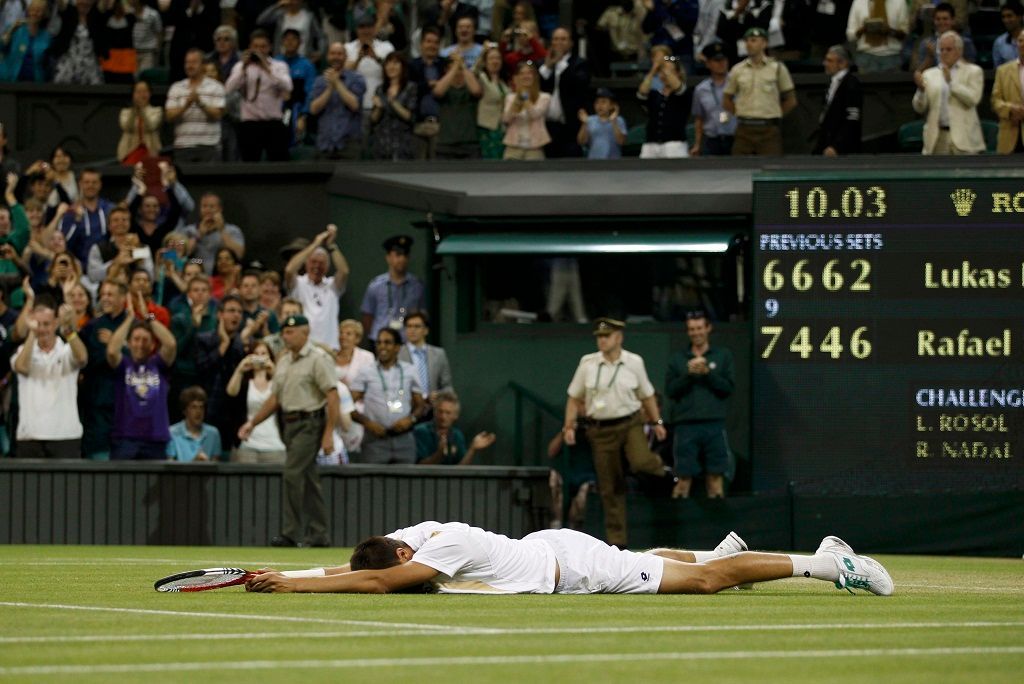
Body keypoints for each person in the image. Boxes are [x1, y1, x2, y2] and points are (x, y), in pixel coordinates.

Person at [245, 523, 895, 597]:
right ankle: (717, 550)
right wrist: (285, 574)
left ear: (411, 554)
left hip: (575, 568)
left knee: (703, 584)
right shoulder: (410, 536)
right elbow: (355, 568)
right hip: (556, 549)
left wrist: (295, 591)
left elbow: (382, 583)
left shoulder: (435, 552)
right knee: (660, 559)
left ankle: (829, 562)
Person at [562, 317, 674, 549]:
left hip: (630, 422)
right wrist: (569, 426)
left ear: (619, 338)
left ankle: (663, 471)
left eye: (606, 336)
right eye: (599, 337)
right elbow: (574, 398)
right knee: (610, 487)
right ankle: (618, 544)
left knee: (641, 461)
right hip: (601, 430)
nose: (601, 341)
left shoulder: (634, 362)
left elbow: (647, 395)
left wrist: (656, 422)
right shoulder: (588, 364)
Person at [238, 314, 340, 548]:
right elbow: (275, 398)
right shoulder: (283, 360)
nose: (286, 336)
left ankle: (291, 533)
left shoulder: (318, 359)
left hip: (310, 423)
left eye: (291, 332)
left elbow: (332, 396)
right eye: (284, 332)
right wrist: (252, 423)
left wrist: (328, 433)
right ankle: (319, 534)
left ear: (306, 333)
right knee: (308, 478)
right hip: (289, 424)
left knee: (292, 473)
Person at [665, 311, 734, 499]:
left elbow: (727, 388)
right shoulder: (678, 359)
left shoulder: (722, 356)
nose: (696, 333)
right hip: (685, 426)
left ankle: (717, 526)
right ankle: (678, 524)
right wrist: (689, 375)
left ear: (708, 328)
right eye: (692, 329)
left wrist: (707, 373)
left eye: (699, 328)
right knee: (683, 480)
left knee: (715, 478)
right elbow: (670, 390)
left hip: (713, 425)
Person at [11, 297, 87, 458]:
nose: (42, 329)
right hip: (29, 437)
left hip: (65, 437)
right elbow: (21, 367)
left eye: (46, 324)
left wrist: (69, 331)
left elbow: (82, 358)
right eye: (38, 324)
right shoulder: (22, 352)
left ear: (55, 324)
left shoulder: (66, 351)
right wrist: (32, 334)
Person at [105, 295, 178, 460]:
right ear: (129, 343)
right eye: (136, 339)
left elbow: (171, 344)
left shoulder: (159, 365)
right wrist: (129, 319)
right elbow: (111, 351)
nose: (140, 344)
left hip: (155, 439)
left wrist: (148, 317)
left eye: (145, 340)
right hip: (125, 438)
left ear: (153, 345)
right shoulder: (123, 366)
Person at [349, 326, 426, 464]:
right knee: (372, 483)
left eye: (387, 342)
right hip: (375, 440)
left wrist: (411, 419)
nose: (381, 346)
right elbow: (348, 405)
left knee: (406, 483)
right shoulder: (366, 371)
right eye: (379, 342)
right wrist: (368, 423)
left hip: (404, 439)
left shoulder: (410, 370)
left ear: (397, 347)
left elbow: (421, 405)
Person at [723, 27, 796, 156]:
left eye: (754, 40)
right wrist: (739, 112)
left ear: (764, 43)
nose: (749, 44)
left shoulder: (777, 68)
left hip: (768, 129)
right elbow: (726, 99)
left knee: (771, 167)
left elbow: (791, 100)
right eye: (747, 41)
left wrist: (775, 113)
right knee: (739, 168)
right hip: (744, 128)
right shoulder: (737, 70)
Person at [224, 29, 293, 162]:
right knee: (249, 163)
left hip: (273, 123)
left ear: (270, 47)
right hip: (250, 124)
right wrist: (244, 67)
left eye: (263, 47)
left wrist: (267, 68)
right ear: (250, 48)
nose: (259, 50)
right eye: (255, 47)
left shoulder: (278, 66)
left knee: (278, 163)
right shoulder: (240, 66)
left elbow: (288, 86)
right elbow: (228, 88)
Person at [911, 31, 984, 156]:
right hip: (937, 138)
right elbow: (919, 108)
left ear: (959, 51)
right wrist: (921, 90)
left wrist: (951, 83)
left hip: (964, 139)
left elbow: (973, 99)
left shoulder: (973, 71)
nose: (944, 53)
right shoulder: (929, 74)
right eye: (941, 49)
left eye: (948, 49)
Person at [79, 278, 128, 460]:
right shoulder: (91, 326)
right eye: (103, 294)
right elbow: (83, 360)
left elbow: (142, 358)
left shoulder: (136, 323)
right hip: (96, 403)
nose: (105, 298)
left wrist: (119, 343)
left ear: (123, 297)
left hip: (126, 402)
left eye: (110, 294)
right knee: (98, 456)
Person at [284, 223, 349, 351]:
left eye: (321, 263)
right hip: (304, 348)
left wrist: (331, 245)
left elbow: (344, 271)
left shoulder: (332, 286)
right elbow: (289, 270)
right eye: (313, 262)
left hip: (329, 348)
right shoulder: (298, 284)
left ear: (327, 267)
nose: (317, 266)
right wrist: (315, 244)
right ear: (306, 263)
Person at [227, 341, 287, 464]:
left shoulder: (275, 381)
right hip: (248, 444)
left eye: (264, 354)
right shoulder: (245, 383)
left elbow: (288, 395)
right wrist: (240, 369)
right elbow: (231, 393)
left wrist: (274, 371)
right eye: (256, 354)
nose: (260, 357)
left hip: (274, 444)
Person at [165, 48, 227, 163]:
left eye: (194, 62)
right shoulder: (176, 87)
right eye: (187, 62)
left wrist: (200, 103)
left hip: (209, 147)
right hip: (183, 147)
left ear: (203, 65)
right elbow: (169, 116)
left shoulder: (216, 87)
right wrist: (185, 106)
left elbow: (218, 115)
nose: (189, 66)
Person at [360, 234, 425, 343]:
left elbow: (422, 314)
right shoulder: (376, 285)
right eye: (398, 255)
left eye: (405, 255)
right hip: (380, 341)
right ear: (388, 258)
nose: (402, 259)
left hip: (407, 341)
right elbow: (367, 317)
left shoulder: (417, 286)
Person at [309, 41, 366, 160]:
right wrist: (330, 87)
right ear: (327, 57)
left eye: (339, 54)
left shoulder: (356, 78)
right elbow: (313, 109)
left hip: (348, 143)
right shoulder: (319, 81)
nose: (336, 57)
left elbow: (354, 105)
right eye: (332, 53)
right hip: (325, 142)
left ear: (345, 57)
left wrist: (337, 82)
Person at [539, 26, 590, 159]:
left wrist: (561, 63)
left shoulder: (579, 63)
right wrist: (548, 66)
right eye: (555, 39)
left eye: (563, 39)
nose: (559, 42)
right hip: (547, 127)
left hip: (570, 127)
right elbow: (536, 84)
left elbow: (579, 83)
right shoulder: (543, 63)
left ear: (571, 43)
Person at [345, 13, 395, 134]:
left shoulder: (386, 47)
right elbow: (343, 73)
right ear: (356, 29)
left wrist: (376, 58)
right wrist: (358, 59)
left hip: (379, 105)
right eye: (362, 27)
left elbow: (394, 72)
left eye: (369, 27)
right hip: (353, 106)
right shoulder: (347, 47)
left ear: (374, 28)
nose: (365, 30)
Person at [414, 390, 495, 465]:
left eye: (448, 413)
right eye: (440, 411)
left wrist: (473, 449)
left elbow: (460, 470)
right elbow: (419, 467)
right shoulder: (421, 431)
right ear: (434, 412)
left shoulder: (457, 435)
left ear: (455, 415)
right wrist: (439, 454)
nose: (443, 417)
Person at [637, 47, 691, 159]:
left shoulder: (683, 94)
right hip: (651, 144)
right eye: (662, 72)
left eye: (670, 71)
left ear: (678, 73)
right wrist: (654, 70)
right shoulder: (655, 94)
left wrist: (665, 65)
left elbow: (678, 88)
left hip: (675, 144)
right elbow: (642, 93)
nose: (665, 74)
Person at [812, 45, 863, 156]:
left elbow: (852, 120)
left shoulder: (851, 84)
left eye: (829, 61)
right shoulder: (832, 83)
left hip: (842, 149)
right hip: (827, 142)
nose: (825, 64)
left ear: (843, 63)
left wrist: (837, 146)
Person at [397, 311, 453, 409]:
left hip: (433, 408)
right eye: (409, 326)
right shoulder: (397, 354)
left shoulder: (439, 354)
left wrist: (438, 395)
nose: (412, 330)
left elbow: (448, 387)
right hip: (407, 408)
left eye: (417, 326)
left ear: (426, 330)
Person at [433, 52, 483, 159]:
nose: (457, 73)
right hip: (446, 144)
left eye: (460, 70)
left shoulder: (469, 89)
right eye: (453, 70)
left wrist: (462, 65)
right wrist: (455, 66)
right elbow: (437, 92)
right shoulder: (445, 90)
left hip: (470, 143)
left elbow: (476, 91)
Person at [59, 168, 113, 267]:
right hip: (80, 269)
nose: (90, 186)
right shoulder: (71, 212)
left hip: (108, 267)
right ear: (80, 184)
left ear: (100, 184)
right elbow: (65, 244)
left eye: (94, 182)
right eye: (87, 182)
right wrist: (76, 221)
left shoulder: (109, 209)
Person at [690, 42, 736, 157]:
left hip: (737, 138)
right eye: (717, 61)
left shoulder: (738, 83)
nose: (721, 64)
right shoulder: (701, 89)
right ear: (708, 64)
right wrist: (697, 144)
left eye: (724, 60)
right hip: (712, 140)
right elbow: (699, 119)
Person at [370, 52, 418, 161]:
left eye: (395, 63)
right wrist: (379, 107)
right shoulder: (380, 89)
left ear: (402, 66)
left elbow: (409, 117)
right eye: (388, 63)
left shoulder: (410, 87)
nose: (391, 66)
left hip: (402, 143)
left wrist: (393, 102)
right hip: (382, 144)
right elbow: (373, 119)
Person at [546, 426, 595, 530]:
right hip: (566, 475)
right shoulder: (567, 428)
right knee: (554, 478)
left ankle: (574, 529)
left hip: (588, 477)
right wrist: (566, 430)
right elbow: (551, 452)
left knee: (585, 492)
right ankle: (556, 526)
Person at [182, 192, 245, 272]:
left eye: (212, 206)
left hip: (223, 274)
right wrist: (199, 234)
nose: (208, 210)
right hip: (197, 270)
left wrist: (222, 230)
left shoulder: (233, 230)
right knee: (193, 260)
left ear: (220, 209)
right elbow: (182, 254)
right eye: (204, 206)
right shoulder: (188, 231)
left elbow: (239, 254)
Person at [502, 60, 551, 160]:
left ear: (535, 77)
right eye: (522, 73)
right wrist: (517, 100)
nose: (526, 76)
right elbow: (506, 119)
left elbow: (534, 114)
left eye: (529, 73)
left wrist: (525, 97)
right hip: (513, 148)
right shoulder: (510, 97)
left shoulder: (544, 97)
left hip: (534, 148)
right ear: (517, 78)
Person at [845, 0, 908, 73]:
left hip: (892, 57)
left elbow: (905, 34)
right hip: (866, 58)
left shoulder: (899, 2)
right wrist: (864, 29)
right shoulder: (858, 2)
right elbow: (850, 36)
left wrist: (890, 31)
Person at [911, 2, 976, 73]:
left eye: (945, 19)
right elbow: (919, 73)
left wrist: (957, 54)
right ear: (934, 21)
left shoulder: (965, 42)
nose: (941, 22)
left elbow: (971, 71)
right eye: (938, 19)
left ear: (953, 20)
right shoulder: (926, 44)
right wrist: (929, 57)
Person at [167, 385, 223, 462]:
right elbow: (170, 468)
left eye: (201, 407)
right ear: (184, 410)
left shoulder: (213, 433)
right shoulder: (172, 432)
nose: (198, 412)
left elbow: (216, 466)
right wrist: (194, 464)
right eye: (194, 407)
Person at [0, 0, 50, 83]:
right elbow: (1, 48)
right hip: (11, 81)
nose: (34, 13)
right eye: (32, 9)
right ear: (28, 11)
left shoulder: (47, 37)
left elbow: (46, 63)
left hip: (36, 83)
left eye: (39, 11)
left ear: (44, 14)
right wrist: (10, 31)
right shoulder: (16, 29)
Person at [642, 0, 700, 72]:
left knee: (684, 80)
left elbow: (688, 25)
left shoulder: (688, 3)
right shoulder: (657, 4)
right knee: (658, 81)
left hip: (681, 53)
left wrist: (660, 9)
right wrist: (650, 11)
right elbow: (646, 29)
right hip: (661, 53)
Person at [992, 31, 1024, 155]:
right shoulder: (1003, 71)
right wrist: (1010, 110)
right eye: (1020, 41)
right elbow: (995, 101)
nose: (1023, 44)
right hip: (1009, 135)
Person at [475, 45, 508, 159]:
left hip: (502, 127)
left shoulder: (504, 82)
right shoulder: (482, 78)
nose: (495, 61)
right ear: (485, 62)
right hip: (487, 127)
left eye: (498, 58)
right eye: (491, 58)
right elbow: (473, 71)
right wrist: (482, 53)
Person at [117, 81, 163, 163]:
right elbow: (126, 127)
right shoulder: (125, 112)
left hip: (150, 150)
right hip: (129, 151)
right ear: (133, 94)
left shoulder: (156, 111)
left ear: (150, 93)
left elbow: (151, 126)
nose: (141, 95)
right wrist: (134, 111)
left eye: (145, 91)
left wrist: (142, 110)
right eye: (138, 92)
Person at [577, 87, 626, 160]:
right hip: (593, 163)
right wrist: (585, 124)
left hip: (614, 163)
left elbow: (621, 142)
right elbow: (581, 142)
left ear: (612, 105)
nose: (599, 106)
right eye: (597, 102)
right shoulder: (590, 120)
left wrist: (614, 122)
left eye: (603, 102)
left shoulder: (619, 120)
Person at [335, 318, 374, 387]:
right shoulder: (330, 355)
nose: (343, 336)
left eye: (348, 334)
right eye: (341, 333)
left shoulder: (367, 357)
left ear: (357, 338)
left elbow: (369, 384)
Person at [993, 2, 1024, 70]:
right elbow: (998, 70)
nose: (1006, 20)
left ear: (1020, 17)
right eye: (1003, 17)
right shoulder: (999, 42)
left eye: (1009, 16)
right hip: (1009, 79)